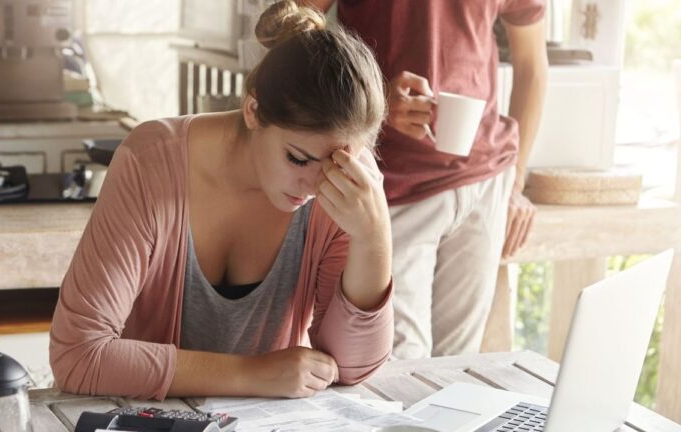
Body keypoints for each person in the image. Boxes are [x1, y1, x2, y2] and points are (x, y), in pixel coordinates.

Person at [49, 0, 394, 400]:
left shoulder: (343, 183)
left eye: (336, 164)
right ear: (252, 110)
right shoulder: (151, 163)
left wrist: (375, 236)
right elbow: (78, 355)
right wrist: (251, 374)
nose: (317, 184)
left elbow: (350, 368)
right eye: (298, 158)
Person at [305, 0, 548, 359]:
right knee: (396, 365)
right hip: (393, 187)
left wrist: (516, 182)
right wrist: (371, 96)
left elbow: (533, 66)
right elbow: (292, 31)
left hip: (484, 182)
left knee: (459, 367)